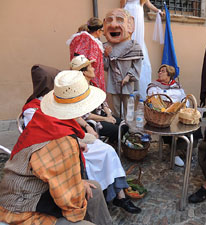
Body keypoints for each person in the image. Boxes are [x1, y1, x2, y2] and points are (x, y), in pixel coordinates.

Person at [22, 64, 141, 214]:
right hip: (56, 151)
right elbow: (39, 138)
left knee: (108, 150)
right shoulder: (32, 109)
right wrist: (74, 143)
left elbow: (73, 117)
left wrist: (84, 131)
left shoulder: (57, 100)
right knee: (88, 161)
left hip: (73, 140)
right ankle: (94, 200)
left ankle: (120, 196)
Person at [0, 70, 113, 225]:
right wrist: (77, 188)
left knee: (94, 189)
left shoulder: (47, 118)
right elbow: (70, 202)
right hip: (23, 205)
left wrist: (77, 184)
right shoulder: (61, 140)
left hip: (30, 188)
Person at [147, 64, 203, 167]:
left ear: (169, 74)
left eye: (162, 71)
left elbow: (185, 100)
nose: (159, 73)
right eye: (159, 71)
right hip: (163, 114)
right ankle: (175, 152)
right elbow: (153, 101)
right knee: (168, 124)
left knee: (195, 123)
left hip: (178, 112)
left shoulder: (177, 87)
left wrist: (183, 107)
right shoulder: (154, 86)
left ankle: (185, 148)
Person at [70, 55, 129, 144]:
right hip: (92, 120)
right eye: (90, 67)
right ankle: (110, 145)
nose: (93, 69)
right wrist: (105, 119)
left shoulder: (93, 85)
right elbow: (85, 115)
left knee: (125, 125)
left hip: (101, 114)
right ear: (84, 72)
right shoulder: (78, 90)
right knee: (117, 130)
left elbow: (103, 102)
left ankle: (112, 143)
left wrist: (109, 115)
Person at [103, 8, 143, 118]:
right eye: (109, 20)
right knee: (116, 110)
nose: (114, 25)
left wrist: (128, 76)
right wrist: (106, 55)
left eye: (120, 20)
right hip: (113, 83)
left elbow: (137, 66)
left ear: (130, 24)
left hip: (127, 84)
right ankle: (118, 130)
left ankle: (127, 131)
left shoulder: (135, 47)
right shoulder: (106, 46)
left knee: (128, 111)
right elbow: (105, 67)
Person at [121, 0, 164, 100]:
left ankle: (140, 91)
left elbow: (148, 3)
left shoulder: (140, 4)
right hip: (129, 11)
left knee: (138, 39)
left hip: (137, 11)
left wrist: (158, 10)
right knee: (130, 36)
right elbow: (122, 3)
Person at [67, 17, 106, 91]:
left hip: (88, 77)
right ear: (98, 31)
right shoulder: (87, 40)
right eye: (102, 31)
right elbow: (83, 60)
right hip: (89, 79)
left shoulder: (83, 39)